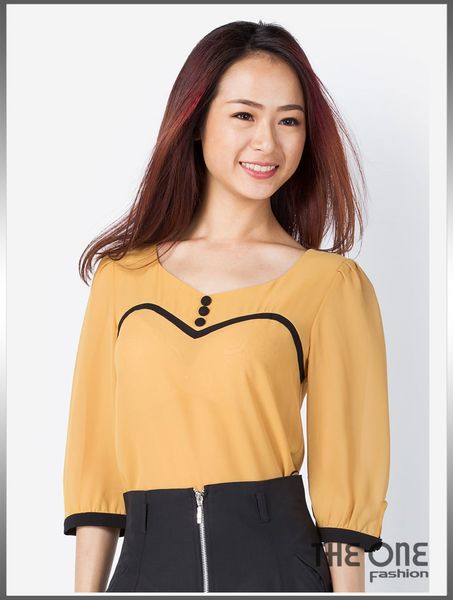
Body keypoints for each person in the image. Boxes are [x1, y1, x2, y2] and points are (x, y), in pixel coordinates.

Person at [62, 19, 390, 593]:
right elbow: (95, 465)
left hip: (279, 570)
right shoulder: (121, 279)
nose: (267, 142)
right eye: (244, 115)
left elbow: (346, 479)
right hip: (145, 571)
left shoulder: (330, 284)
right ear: (195, 123)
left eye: (289, 121)